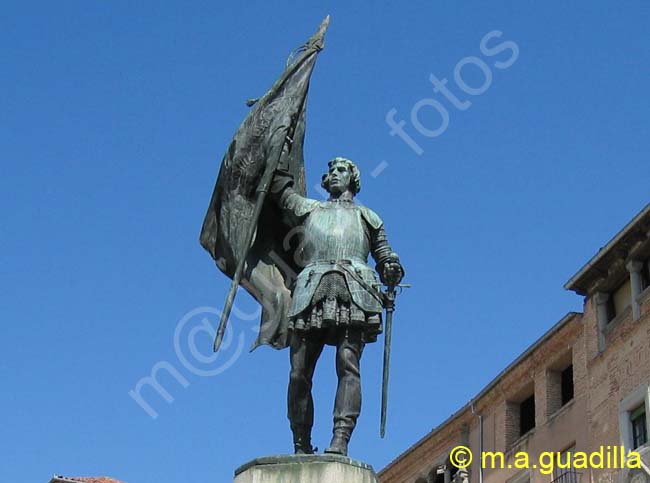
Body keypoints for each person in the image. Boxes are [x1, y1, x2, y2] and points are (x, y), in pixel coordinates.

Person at [270, 157, 404, 456]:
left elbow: (385, 255)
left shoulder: (369, 217)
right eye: (330, 171)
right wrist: (283, 137)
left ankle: (340, 438)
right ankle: (301, 441)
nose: (333, 174)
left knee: (347, 362)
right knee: (298, 371)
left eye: (340, 170)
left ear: (353, 179)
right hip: (311, 288)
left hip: (354, 287)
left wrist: (392, 268)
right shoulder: (308, 209)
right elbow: (279, 189)